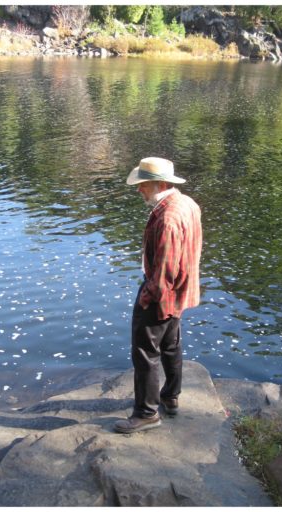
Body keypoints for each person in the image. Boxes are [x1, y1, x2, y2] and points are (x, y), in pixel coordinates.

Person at [114, 157, 203, 434]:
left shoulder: (167, 217)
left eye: (143, 184)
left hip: (161, 294)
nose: (139, 189)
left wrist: (147, 296)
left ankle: (146, 413)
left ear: (160, 183)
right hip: (179, 294)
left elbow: (165, 270)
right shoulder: (186, 203)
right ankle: (170, 396)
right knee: (170, 345)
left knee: (145, 353)